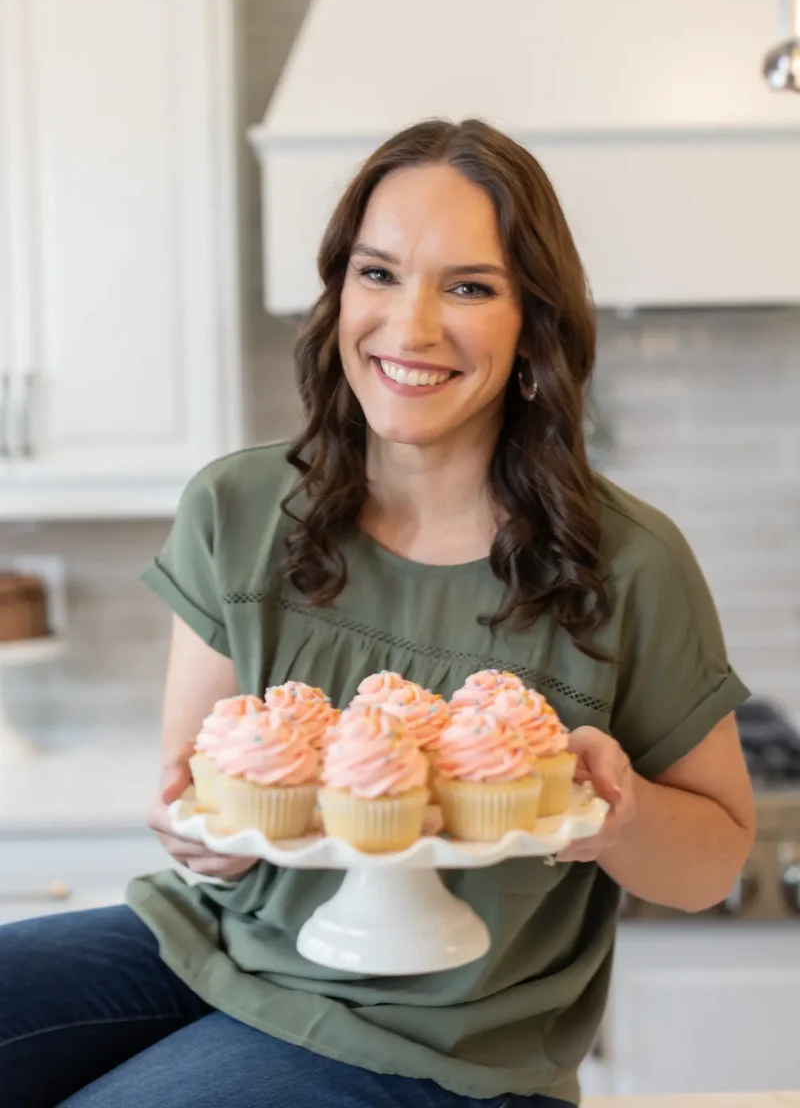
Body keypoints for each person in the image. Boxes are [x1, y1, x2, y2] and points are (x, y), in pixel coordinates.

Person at [0, 119, 754, 1107]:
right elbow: (205, 808)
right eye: (378, 273)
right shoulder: (238, 509)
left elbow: (712, 865)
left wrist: (621, 814)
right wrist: (204, 838)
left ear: (533, 322)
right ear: (338, 293)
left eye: (469, 287)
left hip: (445, 1041)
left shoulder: (624, 563)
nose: (411, 327)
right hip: (214, 946)